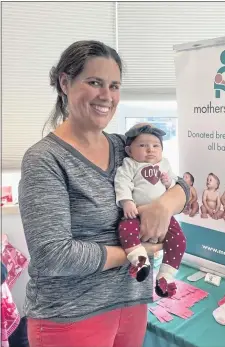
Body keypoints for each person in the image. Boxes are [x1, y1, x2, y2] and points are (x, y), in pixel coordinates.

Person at [18, 40, 190, 347]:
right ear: (65, 83)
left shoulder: (123, 147)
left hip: (132, 304)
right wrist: (140, 253)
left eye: (114, 86)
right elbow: (52, 255)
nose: (106, 96)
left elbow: (186, 187)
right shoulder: (45, 159)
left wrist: (163, 206)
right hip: (70, 316)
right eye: (95, 83)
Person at [114, 123, 186, 298]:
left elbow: (177, 185)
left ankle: (165, 276)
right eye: (143, 146)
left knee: (179, 239)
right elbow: (122, 182)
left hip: (164, 216)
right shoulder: (130, 164)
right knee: (125, 230)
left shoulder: (165, 164)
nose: (150, 150)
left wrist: (168, 182)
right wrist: (127, 202)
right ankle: (140, 261)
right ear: (129, 151)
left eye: (155, 146)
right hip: (136, 213)